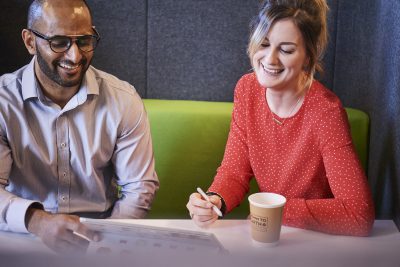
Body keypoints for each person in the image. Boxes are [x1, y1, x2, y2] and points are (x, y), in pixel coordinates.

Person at [186, 0, 375, 236]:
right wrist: (214, 200)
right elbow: (235, 172)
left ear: (308, 56)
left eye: (286, 50)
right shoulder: (247, 89)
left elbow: (358, 214)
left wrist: (278, 211)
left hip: (313, 237)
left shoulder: (326, 111)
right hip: (270, 232)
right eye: (264, 44)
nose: (270, 59)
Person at [0, 0, 159, 253]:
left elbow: (139, 188)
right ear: (30, 42)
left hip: (101, 237)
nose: (74, 56)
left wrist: (108, 244)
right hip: (22, 235)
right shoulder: (3, 101)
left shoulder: (124, 99)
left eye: (84, 41)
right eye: (59, 42)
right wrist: (38, 222)